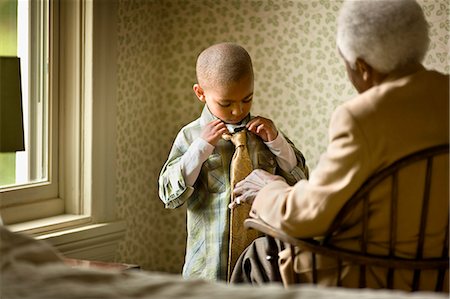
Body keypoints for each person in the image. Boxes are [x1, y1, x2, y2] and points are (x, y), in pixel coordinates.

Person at [230, 0, 449, 290]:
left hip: (368, 273)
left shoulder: (362, 118)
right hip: (440, 277)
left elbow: (308, 217)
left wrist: (269, 188)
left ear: (361, 66)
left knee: (258, 255)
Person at [158, 42, 309, 282]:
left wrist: (278, 143)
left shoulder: (264, 134)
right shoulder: (190, 136)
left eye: (247, 99)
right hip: (207, 268)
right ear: (200, 93)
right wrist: (201, 148)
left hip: (263, 265)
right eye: (226, 103)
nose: (238, 111)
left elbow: (301, 180)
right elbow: (169, 195)